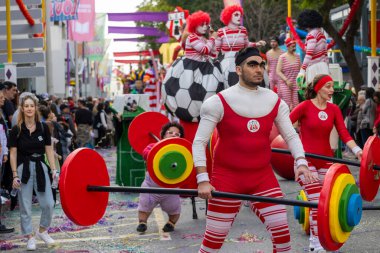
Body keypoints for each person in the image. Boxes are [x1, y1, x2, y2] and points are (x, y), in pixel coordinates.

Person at [193, 47, 316, 253]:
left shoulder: (274, 100)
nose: (259, 69)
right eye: (252, 64)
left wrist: (301, 163)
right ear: (238, 69)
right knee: (211, 246)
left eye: (261, 65)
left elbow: (291, 135)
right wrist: (203, 179)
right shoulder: (217, 102)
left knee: (284, 241)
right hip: (226, 179)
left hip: (262, 178)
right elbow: (198, 142)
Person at [289, 74, 363, 252]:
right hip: (305, 162)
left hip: (326, 162)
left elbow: (344, 134)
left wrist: (359, 151)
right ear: (318, 88)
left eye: (332, 87)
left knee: (330, 203)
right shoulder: (304, 106)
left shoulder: (334, 109)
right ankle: (315, 243)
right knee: (316, 202)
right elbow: (285, 126)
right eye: (328, 86)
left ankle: (327, 240)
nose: (332, 90)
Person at [9, 94, 57, 250]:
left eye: (32, 106)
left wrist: (54, 169)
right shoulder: (16, 129)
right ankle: (30, 236)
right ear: (22, 109)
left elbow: (49, 150)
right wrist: (15, 174)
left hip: (41, 167)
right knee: (25, 205)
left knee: (49, 203)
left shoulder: (43, 127)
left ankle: (43, 230)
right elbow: (13, 153)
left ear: (36, 108)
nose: (29, 108)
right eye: (26, 106)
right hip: (23, 169)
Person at [162, 10, 224, 122]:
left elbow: (214, 53)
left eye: (206, 24)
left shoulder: (205, 39)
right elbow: (205, 50)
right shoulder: (192, 38)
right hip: (190, 70)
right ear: (195, 25)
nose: (205, 27)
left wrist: (215, 38)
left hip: (205, 68)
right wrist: (213, 38)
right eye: (202, 24)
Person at [137, 122, 185, 233]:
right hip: (151, 186)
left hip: (170, 189)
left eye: (177, 134)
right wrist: (157, 151)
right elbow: (145, 153)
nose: (174, 135)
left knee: (174, 209)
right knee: (144, 206)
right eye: (170, 133)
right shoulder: (153, 146)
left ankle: (171, 223)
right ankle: (142, 222)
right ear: (163, 135)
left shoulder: (182, 151)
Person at [215, 4, 266, 88]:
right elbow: (216, 50)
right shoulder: (221, 31)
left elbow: (246, 44)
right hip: (225, 63)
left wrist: (256, 44)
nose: (239, 17)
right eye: (236, 15)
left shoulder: (243, 30)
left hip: (240, 60)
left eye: (240, 15)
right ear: (228, 16)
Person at [296, 10, 333, 85]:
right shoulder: (321, 35)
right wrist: (327, 68)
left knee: (314, 92)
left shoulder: (311, 35)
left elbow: (309, 54)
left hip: (314, 68)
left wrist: (302, 70)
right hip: (324, 67)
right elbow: (325, 54)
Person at [276, 38, 301, 110]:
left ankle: (294, 120)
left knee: (296, 104)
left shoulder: (297, 56)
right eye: (292, 46)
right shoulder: (282, 57)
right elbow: (278, 71)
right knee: (286, 104)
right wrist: (286, 80)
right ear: (287, 46)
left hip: (295, 83)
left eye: (295, 46)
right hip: (285, 83)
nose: (294, 48)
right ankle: (285, 119)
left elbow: (300, 69)